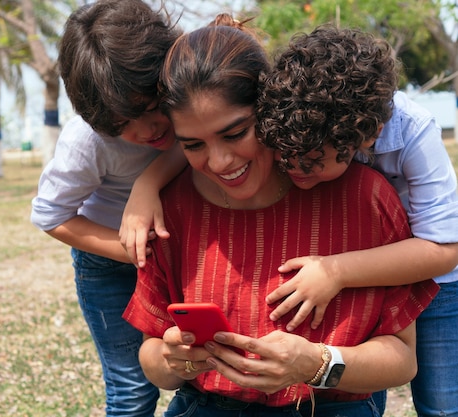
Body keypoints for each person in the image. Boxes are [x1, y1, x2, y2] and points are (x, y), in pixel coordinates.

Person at [122, 15, 439, 416]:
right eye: (192, 145)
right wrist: (176, 359)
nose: (219, 162)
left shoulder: (366, 197)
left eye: (235, 133)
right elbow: (153, 359)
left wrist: (317, 364)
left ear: (271, 109)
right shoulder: (169, 210)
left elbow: (402, 359)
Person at [256, 25, 458, 417]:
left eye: (314, 163)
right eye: (286, 156)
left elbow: (445, 249)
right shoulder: (297, 124)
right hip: (351, 275)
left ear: (368, 136)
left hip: (432, 284)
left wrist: (336, 271)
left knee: (442, 403)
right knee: (361, 385)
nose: (296, 170)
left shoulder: (414, 131)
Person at [30, 1, 181, 415]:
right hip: (111, 267)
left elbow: (196, 144)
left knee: (199, 373)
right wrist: (127, 249)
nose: (146, 129)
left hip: (185, 252)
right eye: (122, 123)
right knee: (132, 387)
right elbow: (50, 215)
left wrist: (147, 184)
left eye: (152, 107)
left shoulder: (190, 89)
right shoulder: (88, 142)